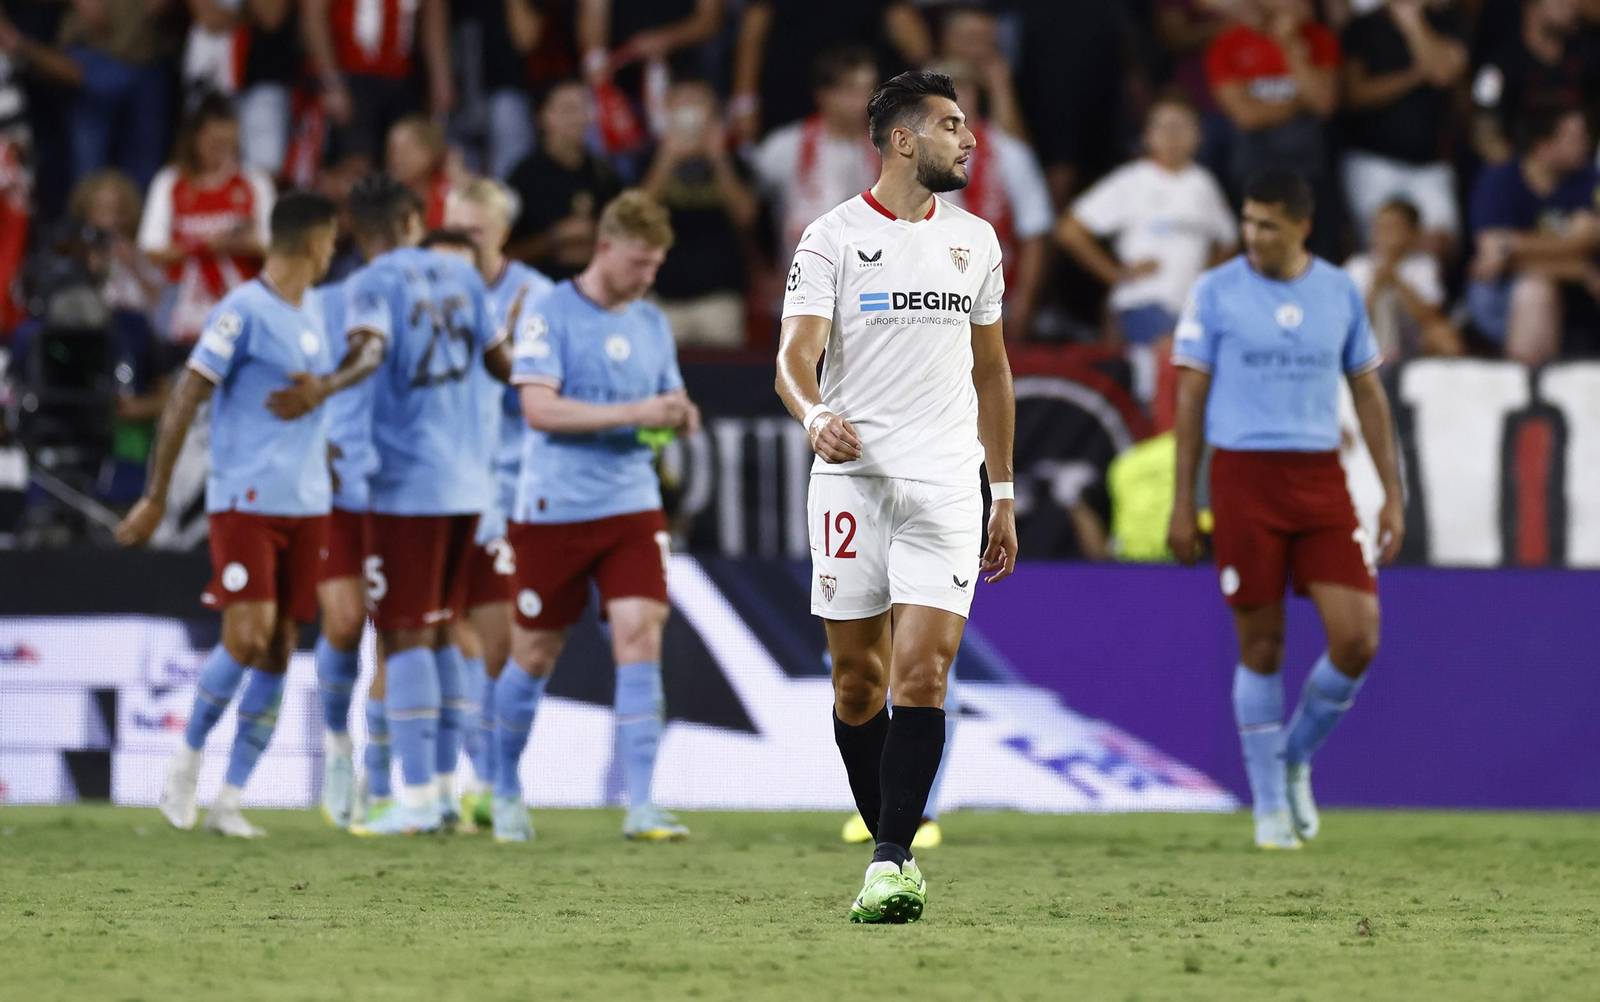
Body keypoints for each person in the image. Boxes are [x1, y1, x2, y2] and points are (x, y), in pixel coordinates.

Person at [774, 70, 1016, 923]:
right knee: (855, 682)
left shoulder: (976, 241)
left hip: (949, 484)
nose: (970, 140)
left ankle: (886, 864)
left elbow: (992, 374)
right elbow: (793, 362)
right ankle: (895, 845)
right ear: (904, 139)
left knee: (923, 673)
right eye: (953, 126)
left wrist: (1005, 495)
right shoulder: (832, 238)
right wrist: (815, 417)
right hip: (852, 482)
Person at [113, 191, 371, 837]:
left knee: (281, 648)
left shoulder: (320, 308)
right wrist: (156, 495)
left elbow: (369, 356)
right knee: (247, 635)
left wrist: (326, 388)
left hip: (310, 504)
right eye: (332, 243)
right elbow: (185, 396)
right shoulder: (242, 312)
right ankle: (186, 759)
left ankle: (230, 798)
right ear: (312, 245)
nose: (334, 254)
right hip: (245, 502)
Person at [1167, 168, 1405, 851]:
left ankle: (1294, 755)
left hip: (1320, 474)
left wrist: (1392, 492)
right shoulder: (1214, 291)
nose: (1252, 236)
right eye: (1246, 222)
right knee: (1262, 645)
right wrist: (1187, 499)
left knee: (1358, 636)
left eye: (1266, 225)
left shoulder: (1338, 291)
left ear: (1301, 226)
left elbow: (1368, 395)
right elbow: (1189, 399)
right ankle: (1269, 805)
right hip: (1244, 475)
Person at [497, 190, 702, 844]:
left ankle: (641, 804)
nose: (647, 278)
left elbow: (670, 397)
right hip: (554, 508)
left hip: (630, 503)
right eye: (638, 264)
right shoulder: (547, 312)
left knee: (641, 631)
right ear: (605, 247)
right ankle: (501, 786)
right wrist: (632, 415)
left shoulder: (651, 322)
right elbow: (539, 410)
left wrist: (677, 413)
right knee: (534, 652)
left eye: (657, 266)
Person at [333, 173, 515, 837]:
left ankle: (412, 800)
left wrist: (326, 389)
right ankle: (441, 794)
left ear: (360, 229)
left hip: (405, 483)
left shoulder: (370, 283)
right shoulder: (464, 278)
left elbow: (371, 351)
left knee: (405, 633)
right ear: (416, 219)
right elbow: (502, 364)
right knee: (443, 628)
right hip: (471, 482)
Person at [440, 178, 555, 831]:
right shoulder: (432, 290)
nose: (460, 245)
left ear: (503, 235)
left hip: (507, 489)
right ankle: (478, 777)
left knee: (505, 643)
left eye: (474, 233)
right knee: (445, 633)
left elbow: (537, 393)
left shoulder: (534, 297)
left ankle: (494, 774)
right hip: (435, 486)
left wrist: (500, 359)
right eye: (452, 231)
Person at [1057, 97, 1237, 347]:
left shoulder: (1203, 184)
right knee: (1170, 351)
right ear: (1146, 136)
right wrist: (1116, 273)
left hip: (1191, 309)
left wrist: (1208, 276)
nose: (1172, 134)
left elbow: (1229, 238)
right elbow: (1070, 230)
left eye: (1181, 125)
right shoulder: (1130, 180)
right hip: (1141, 301)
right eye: (1162, 126)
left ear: (1199, 136)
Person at [1466, 104, 1600, 365]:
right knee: (1536, 291)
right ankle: (1530, 395)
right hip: (1500, 297)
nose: (1585, 144)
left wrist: (1513, 244)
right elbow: (1490, 264)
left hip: (1575, 299)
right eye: (1574, 138)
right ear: (1544, 145)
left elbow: (1588, 238)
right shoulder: (1498, 180)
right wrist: (1578, 268)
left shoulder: (1590, 178)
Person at [1206, 0, 1341, 258]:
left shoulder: (1319, 38)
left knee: (1313, 257)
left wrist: (1290, 46)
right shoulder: (1227, 44)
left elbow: (1324, 103)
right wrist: (1299, 102)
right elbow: (1246, 117)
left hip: (1309, 172)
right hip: (1253, 171)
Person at [138, 94, 275, 346]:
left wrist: (240, 244)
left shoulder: (254, 181)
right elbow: (151, 250)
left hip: (241, 297)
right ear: (195, 139)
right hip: (182, 301)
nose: (223, 154)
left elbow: (276, 251)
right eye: (215, 144)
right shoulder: (170, 182)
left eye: (230, 145)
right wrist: (201, 246)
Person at [931, 59, 1051, 341]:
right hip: (930, 300)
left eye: (962, 90)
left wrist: (1025, 302)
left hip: (998, 297)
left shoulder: (1010, 153)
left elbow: (1034, 232)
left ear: (976, 94)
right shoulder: (910, 158)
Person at [1338, 0, 1468, 255]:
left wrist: (1412, 23)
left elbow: (1443, 73)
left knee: (1441, 245)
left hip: (1430, 163)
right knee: (1380, 247)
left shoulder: (1447, 21)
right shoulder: (1364, 26)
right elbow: (1354, 93)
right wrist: (1415, 76)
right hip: (1372, 160)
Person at [640, 79, 758, 348]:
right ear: (667, 109)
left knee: (722, 383)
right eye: (682, 101)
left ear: (714, 110)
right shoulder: (648, 157)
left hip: (720, 297)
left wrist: (719, 158)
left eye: (698, 101)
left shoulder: (733, 159)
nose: (690, 109)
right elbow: (638, 217)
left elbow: (746, 216)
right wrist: (667, 158)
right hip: (663, 296)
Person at [751, 45, 880, 269]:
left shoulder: (887, 149)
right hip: (801, 282)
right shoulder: (783, 147)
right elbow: (749, 214)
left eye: (869, 90)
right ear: (823, 95)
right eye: (852, 90)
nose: (863, 101)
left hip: (869, 283)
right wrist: (760, 268)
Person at [729, 0, 931, 142]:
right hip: (789, 97)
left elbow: (914, 41)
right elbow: (754, 31)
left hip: (860, 103)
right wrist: (745, 102)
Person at [302, 0, 453, 167]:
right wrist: (331, 82)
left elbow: (433, 13)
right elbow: (313, 13)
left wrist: (440, 78)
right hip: (351, 77)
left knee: (410, 160)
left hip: (404, 76)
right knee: (356, 161)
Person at [505, 79, 623, 280]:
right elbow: (503, 254)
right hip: (542, 292)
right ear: (542, 117)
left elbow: (626, 235)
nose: (578, 118)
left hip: (598, 293)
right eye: (568, 110)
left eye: (584, 108)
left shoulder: (603, 172)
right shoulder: (523, 177)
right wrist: (555, 238)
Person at [1470, 0, 1600, 166]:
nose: (1571, 4)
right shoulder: (1499, 64)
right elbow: (1484, 131)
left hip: (1576, 169)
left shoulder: (1585, 55)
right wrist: (1523, 173)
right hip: (1517, 172)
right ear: (1530, 5)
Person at [1343, 198, 1461, 361]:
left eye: (1391, 228)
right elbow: (1350, 321)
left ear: (1413, 233)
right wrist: (1376, 286)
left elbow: (1431, 316)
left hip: (1413, 341)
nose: (1383, 235)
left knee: (1443, 335)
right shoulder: (1357, 266)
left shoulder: (1424, 265)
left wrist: (1397, 281)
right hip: (1371, 338)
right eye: (1379, 227)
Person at [386, 115, 452, 228]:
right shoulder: (385, 196)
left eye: (405, 150)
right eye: (392, 150)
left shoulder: (452, 193)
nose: (396, 158)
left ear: (430, 152)